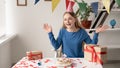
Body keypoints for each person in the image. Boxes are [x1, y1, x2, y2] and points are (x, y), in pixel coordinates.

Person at [43, 11, 109, 58]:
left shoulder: (82, 32)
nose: (67, 21)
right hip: (66, 60)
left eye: (70, 19)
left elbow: (92, 44)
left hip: (79, 59)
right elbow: (56, 46)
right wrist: (50, 33)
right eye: (65, 19)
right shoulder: (62, 31)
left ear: (75, 20)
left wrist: (96, 33)